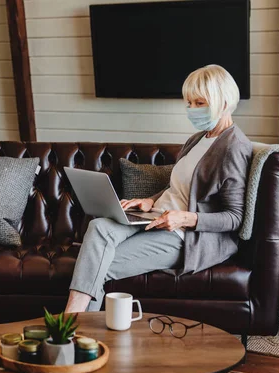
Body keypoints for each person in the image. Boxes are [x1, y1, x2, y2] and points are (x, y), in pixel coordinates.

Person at [65, 64, 252, 314]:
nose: (192, 110)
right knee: (98, 226)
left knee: (96, 264)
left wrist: (185, 218)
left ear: (225, 102)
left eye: (200, 103)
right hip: (155, 218)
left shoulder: (234, 147)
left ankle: (72, 327)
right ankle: (77, 331)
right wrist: (150, 201)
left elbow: (235, 217)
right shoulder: (198, 139)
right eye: (189, 103)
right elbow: (176, 186)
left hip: (185, 236)